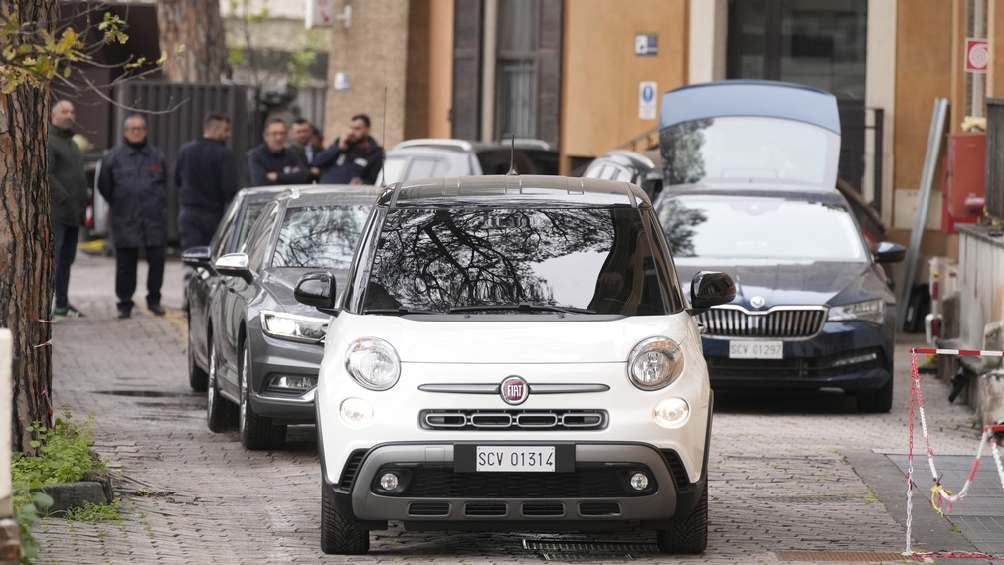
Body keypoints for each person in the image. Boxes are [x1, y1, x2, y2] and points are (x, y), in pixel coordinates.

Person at [97, 114, 169, 319]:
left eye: (140, 128)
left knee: (157, 262)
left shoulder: (157, 156)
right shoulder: (113, 157)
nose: (136, 132)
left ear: (146, 131)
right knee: (126, 265)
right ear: (125, 132)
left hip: (153, 219)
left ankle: (154, 300)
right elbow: (104, 186)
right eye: (132, 129)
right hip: (125, 218)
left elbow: (164, 183)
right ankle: (125, 303)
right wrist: (121, 202)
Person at [47, 100, 89, 319]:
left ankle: (62, 304)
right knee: (53, 261)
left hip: (73, 214)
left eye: (72, 111)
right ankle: (47, 305)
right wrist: (64, 197)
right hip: (57, 214)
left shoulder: (72, 143)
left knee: (66, 260)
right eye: (64, 111)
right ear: (54, 114)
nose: (69, 115)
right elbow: (47, 174)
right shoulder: (49, 141)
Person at [175, 114, 239, 250]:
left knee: (191, 256)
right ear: (215, 129)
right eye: (226, 130)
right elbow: (229, 189)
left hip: (188, 213)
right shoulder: (224, 155)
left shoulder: (185, 150)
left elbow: (177, 180)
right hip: (213, 215)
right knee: (210, 258)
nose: (229, 134)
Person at [313, 113, 384, 185]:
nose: (352, 132)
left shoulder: (375, 152)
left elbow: (372, 179)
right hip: (325, 190)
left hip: (349, 193)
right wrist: (338, 148)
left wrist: (362, 182)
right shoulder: (341, 143)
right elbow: (317, 162)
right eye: (351, 128)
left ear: (367, 129)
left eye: (357, 128)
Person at [247, 118, 310, 186]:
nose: (279, 138)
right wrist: (290, 176)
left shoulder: (292, 154)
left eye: (282, 133)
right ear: (266, 136)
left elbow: (304, 176)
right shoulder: (256, 155)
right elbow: (260, 182)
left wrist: (277, 176)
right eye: (274, 134)